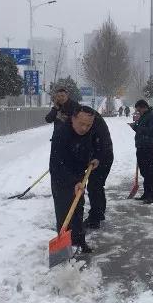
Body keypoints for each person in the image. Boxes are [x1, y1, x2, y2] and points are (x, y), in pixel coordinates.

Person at [49, 105, 103, 253]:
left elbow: (96, 146)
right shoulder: (61, 134)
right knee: (65, 213)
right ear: (73, 118)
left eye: (88, 124)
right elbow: (56, 165)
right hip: (62, 178)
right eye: (82, 123)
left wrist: (95, 158)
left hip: (79, 176)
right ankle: (63, 250)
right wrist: (73, 182)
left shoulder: (89, 131)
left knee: (78, 210)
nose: (85, 128)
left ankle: (79, 242)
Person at [83, 106, 114, 229]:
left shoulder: (95, 123)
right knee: (97, 186)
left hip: (102, 159)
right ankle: (99, 213)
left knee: (94, 187)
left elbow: (101, 143)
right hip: (102, 157)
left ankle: (95, 218)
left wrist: (97, 157)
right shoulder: (93, 120)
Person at [130, 99, 153, 204]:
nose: (138, 112)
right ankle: (147, 194)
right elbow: (142, 129)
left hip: (148, 147)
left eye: (139, 110)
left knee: (150, 172)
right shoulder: (144, 115)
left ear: (143, 107)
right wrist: (135, 127)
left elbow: (152, 131)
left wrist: (138, 128)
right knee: (144, 172)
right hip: (141, 147)